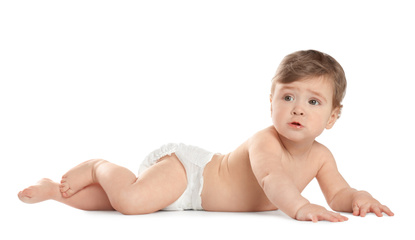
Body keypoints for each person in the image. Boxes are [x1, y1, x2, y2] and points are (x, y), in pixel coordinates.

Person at [18, 50, 394, 222]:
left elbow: (338, 193)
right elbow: (271, 179)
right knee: (131, 201)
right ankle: (99, 165)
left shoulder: (321, 156)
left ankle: (54, 191)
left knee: (115, 205)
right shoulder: (266, 141)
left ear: (333, 116)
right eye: (288, 96)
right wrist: (299, 207)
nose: (298, 108)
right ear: (271, 102)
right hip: (190, 175)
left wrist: (359, 198)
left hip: (194, 202)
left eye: (313, 101)